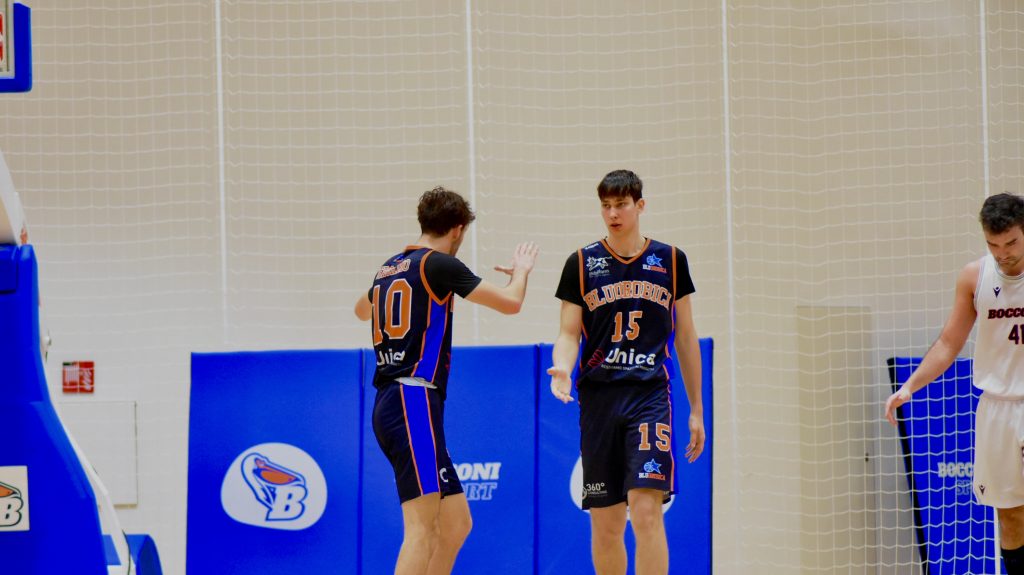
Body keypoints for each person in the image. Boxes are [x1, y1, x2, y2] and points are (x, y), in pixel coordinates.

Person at [354, 186, 539, 575]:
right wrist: (521, 272)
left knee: (456, 524)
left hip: (392, 401)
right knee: (420, 530)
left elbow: (360, 310)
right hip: (412, 399)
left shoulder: (389, 267)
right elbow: (511, 303)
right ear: (457, 229)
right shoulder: (439, 264)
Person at [548, 169, 705, 575]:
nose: (613, 214)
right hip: (599, 400)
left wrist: (696, 409)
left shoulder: (671, 260)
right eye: (606, 206)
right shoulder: (581, 263)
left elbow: (686, 336)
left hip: (648, 397)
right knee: (606, 524)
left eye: (621, 205)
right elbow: (568, 333)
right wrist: (562, 368)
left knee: (646, 511)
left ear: (640, 205)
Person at [885, 192, 1024, 575]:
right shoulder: (974, 276)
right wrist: (909, 386)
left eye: (1011, 243)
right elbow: (949, 342)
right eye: (993, 245)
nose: (1002, 253)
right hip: (997, 407)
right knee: (1010, 515)